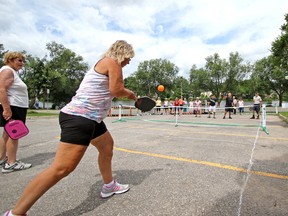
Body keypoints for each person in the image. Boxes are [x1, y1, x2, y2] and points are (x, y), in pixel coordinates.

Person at [3, 40, 137, 216]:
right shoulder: (113, 63)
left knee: (106, 147)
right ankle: (15, 213)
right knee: (61, 168)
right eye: (128, 58)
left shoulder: (104, 63)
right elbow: (116, 90)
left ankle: (109, 185)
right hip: (80, 118)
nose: (129, 62)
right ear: (123, 53)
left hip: (92, 118)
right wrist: (131, 94)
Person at [0, 51, 32, 173]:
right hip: (13, 107)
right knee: (15, 134)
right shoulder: (7, 71)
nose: (22, 63)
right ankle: (11, 163)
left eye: (23, 61)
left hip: (15, 106)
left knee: (7, 134)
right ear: (10, 59)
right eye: (19, 60)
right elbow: (1, 89)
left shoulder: (10, 71)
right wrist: (7, 109)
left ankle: (2, 159)